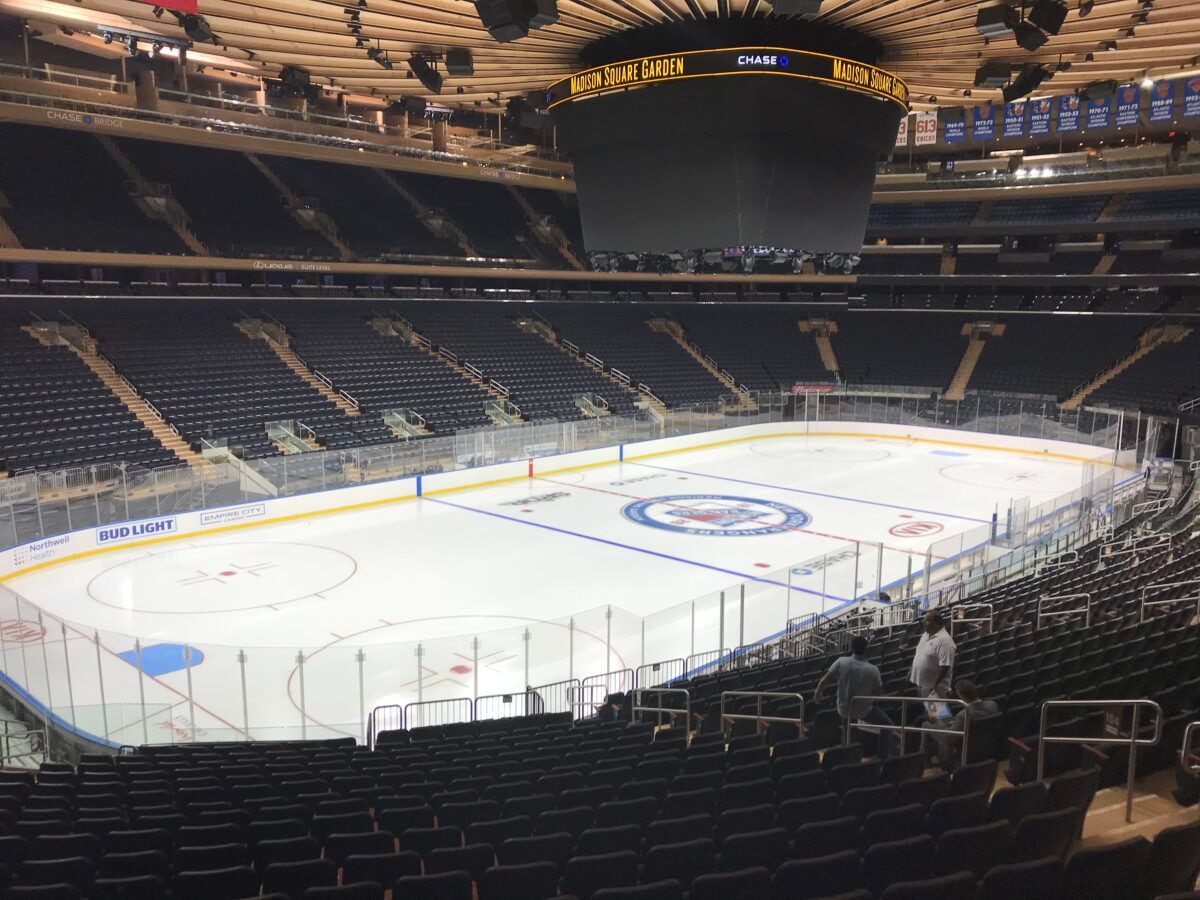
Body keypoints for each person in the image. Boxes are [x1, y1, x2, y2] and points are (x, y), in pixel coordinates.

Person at [814, 635, 897, 759]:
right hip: (864, 711)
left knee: (846, 720)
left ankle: (845, 750)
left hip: (843, 708)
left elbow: (824, 680)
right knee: (887, 725)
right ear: (866, 649)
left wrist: (817, 693)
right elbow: (878, 695)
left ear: (852, 648)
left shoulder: (841, 661)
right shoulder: (873, 670)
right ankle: (883, 757)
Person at [922, 679, 1000, 767]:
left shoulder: (964, 715)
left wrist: (936, 720)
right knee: (946, 719)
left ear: (962, 696)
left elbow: (949, 738)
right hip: (986, 746)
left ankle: (924, 764)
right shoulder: (993, 705)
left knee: (925, 725)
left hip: (962, 750)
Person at [909, 610, 956, 704]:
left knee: (938, 716)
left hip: (935, 688)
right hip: (921, 683)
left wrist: (934, 685)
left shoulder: (945, 641)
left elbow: (945, 666)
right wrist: (911, 670)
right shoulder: (925, 635)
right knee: (928, 714)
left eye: (927, 620)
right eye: (924, 620)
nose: (924, 622)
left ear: (937, 623)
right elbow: (919, 653)